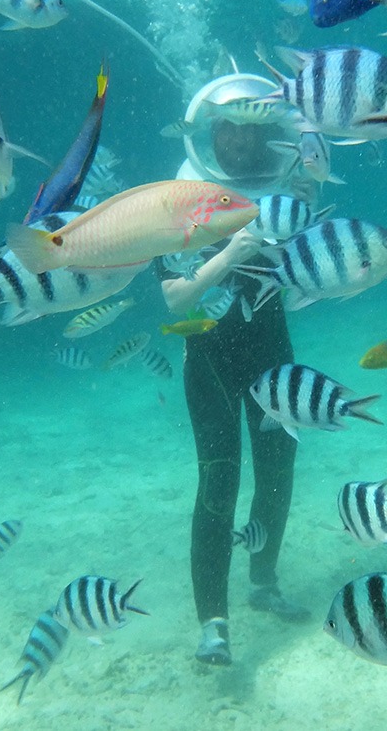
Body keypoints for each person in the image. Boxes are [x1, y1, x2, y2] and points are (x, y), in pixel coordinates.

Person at [158, 73, 317, 666]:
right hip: (210, 361)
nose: (239, 143)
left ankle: (265, 582)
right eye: (227, 129)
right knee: (219, 481)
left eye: (253, 131)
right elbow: (175, 300)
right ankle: (213, 624)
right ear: (209, 132)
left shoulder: (286, 190)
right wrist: (233, 250)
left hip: (272, 349)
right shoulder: (178, 198)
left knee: (278, 467)